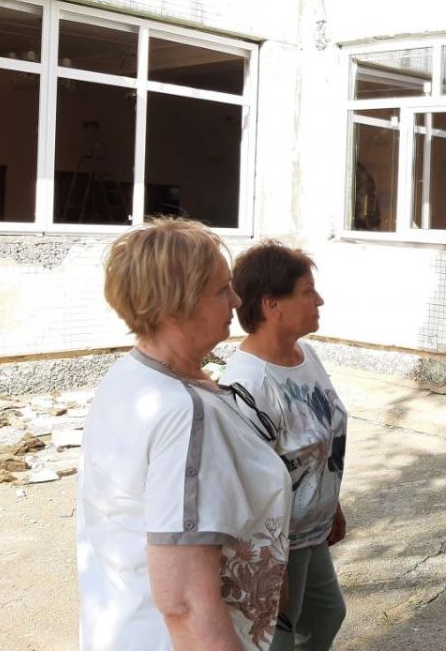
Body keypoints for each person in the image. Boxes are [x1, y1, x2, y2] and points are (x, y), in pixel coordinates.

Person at [78, 218, 292, 651]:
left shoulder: (131, 376)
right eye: (221, 290)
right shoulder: (181, 413)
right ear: (174, 307)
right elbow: (185, 605)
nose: (236, 300)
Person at [222, 241, 349, 651]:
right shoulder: (249, 384)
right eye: (307, 291)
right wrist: (270, 564)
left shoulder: (305, 355)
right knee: (279, 638)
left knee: (326, 615)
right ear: (272, 304)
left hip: (313, 530)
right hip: (279, 543)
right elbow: (248, 486)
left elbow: (322, 441)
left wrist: (333, 504)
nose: (320, 300)